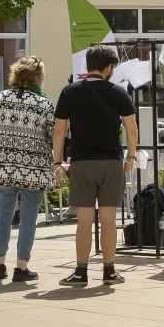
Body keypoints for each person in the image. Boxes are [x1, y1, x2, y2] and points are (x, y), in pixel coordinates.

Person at [53, 45, 138, 287]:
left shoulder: (69, 92)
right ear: (109, 67)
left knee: (84, 220)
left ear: (88, 65)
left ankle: (80, 272)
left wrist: (57, 162)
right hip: (111, 163)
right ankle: (110, 271)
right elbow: (131, 129)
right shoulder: (118, 92)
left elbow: (59, 131)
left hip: (81, 163)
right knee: (109, 219)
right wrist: (130, 157)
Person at [0, 56, 56, 282]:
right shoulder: (44, 103)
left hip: (4, 165)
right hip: (33, 168)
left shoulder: (0, 98)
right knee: (28, 217)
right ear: (36, 77)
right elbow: (53, 135)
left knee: (3, 215)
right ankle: (21, 267)